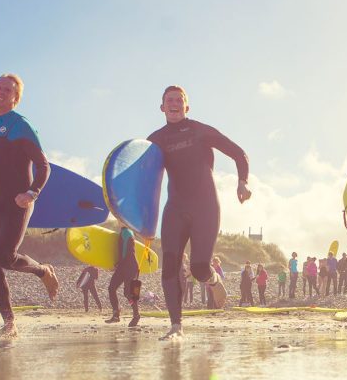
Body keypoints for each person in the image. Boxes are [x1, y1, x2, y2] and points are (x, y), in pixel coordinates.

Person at [147, 85, 251, 339]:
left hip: (205, 207)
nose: (173, 103)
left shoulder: (199, 131)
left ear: (186, 106)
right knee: (169, 266)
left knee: (199, 267)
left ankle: (214, 281)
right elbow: (141, 179)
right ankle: (175, 327)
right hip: (175, 208)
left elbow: (238, 153)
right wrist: (136, 217)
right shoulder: (155, 140)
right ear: (162, 107)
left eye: (178, 100)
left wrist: (242, 182)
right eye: (168, 100)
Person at [0, 74, 59, 338]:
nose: (1, 92)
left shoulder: (21, 125)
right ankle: (9, 324)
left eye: (8, 89)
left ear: (16, 97)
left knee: (4, 257)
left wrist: (32, 192)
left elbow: (43, 165)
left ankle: (43, 270)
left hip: (18, 201)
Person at [105, 225, 141, 327]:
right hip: (124, 265)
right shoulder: (125, 232)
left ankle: (136, 315)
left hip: (130, 266)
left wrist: (118, 264)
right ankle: (116, 313)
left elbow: (126, 252)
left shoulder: (127, 232)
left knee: (129, 293)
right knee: (112, 288)